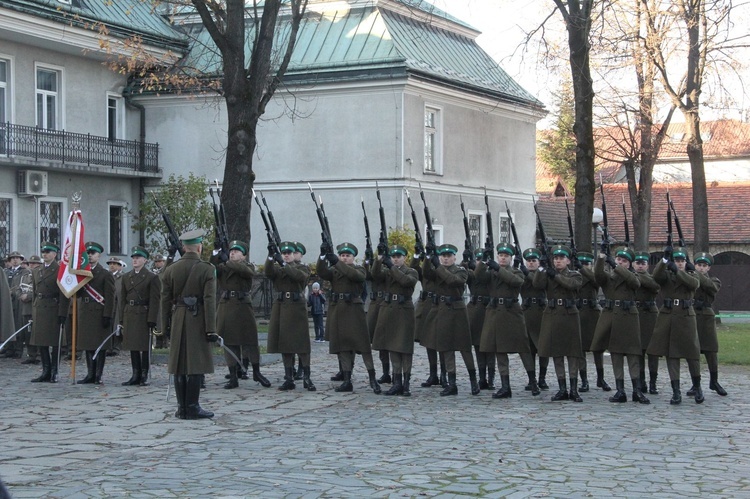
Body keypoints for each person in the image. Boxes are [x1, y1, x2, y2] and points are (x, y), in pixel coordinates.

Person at [160, 230, 216, 419]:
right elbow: (209, 301)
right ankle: (192, 406)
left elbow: (164, 300)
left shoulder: (171, 269)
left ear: (184, 248)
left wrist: (163, 326)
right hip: (197, 318)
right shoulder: (206, 269)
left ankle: (181, 408)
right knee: (195, 363)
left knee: (178, 363)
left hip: (178, 316)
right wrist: (211, 329)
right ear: (199, 247)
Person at [317, 242, 381, 394]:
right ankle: (347, 380)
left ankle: (372, 377)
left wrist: (337, 262)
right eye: (342, 255)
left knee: (363, 345)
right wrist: (322, 256)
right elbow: (322, 273)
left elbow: (355, 276)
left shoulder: (359, 269)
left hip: (354, 311)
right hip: (339, 311)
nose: (345, 258)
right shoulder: (334, 270)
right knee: (343, 346)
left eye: (348, 256)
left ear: (353, 257)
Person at [590, 247, 649, 404]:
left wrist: (616, 266)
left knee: (633, 354)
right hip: (613, 317)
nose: (620, 262)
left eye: (624, 261)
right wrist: (602, 257)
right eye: (618, 260)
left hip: (629, 317)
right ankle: (620, 390)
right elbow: (598, 276)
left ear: (629, 264)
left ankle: (637, 390)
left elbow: (635, 283)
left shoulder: (633, 276)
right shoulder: (610, 278)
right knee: (616, 354)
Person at [476, 244, 536, 398]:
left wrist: (498, 269)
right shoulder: (491, 272)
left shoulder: (516, 271)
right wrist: (483, 262)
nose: (502, 258)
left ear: (510, 258)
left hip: (512, 313)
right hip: (494, 312)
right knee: (499, 350)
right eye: (500, 255)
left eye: (506, 256)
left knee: (523, 348)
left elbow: (516, 281)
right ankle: (505, 386)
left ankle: (533, 381)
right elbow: (479, 277)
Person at [647, 246, 702, 405]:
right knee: (672, 354)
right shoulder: (667, 275)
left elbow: (693, 284)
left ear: (686, 262)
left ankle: (697, 387)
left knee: (692, 354)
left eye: (681, 261)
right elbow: (656, 276)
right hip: (669, 315)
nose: (679, 263)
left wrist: (678, 271)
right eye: (676, 261)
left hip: (686, 316)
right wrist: (664, 260)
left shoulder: (692, 274)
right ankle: (676, 391)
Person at [422, 243, 478, 396]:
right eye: (443, 256)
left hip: (457, 310)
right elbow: (426, 274)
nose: (445, 259)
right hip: (442, 311)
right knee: (446, 348)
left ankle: (474, 379)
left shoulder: (461, 270)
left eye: (448, 256)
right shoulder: (438, 270)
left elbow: (454, 281)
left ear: (454, 257)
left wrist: (438, 267)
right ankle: (452, 384)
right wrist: (428, 258)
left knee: (464, 347)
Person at [212, 240, 270, 389]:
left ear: (244, 256)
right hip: (227, 306)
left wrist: (227, 261)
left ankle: (256, 371)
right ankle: (233, 376)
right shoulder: (224, 267)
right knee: (229, 342)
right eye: (231, 250)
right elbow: (212, 269)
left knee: (250, 340)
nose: (232, 253)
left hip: (243, 306)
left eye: (237, 251)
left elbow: (248, 273)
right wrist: (216, 252)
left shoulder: (247, 266)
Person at [533, 245, 584, 402]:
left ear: (568, 260)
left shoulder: (575, 274)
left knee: (573, 352)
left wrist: (555, 275)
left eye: (561, 258)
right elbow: (537, 285)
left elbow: (571, 285)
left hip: (569, 314)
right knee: (557, 352)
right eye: (555, 258)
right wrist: (542, 268)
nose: (558, 261)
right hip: (553, 314)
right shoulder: (548, 273)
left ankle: (574, 389)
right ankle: (562, 388)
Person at [266, 241, 315, 392]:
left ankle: (306, 376)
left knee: (301, 343)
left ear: (294, 254)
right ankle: (289, 378)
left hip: (296, 307)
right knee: (285, 344)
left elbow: (299, 277)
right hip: (281, 306)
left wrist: (284, 265)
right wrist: (270, 257)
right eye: (284, 253)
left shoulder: (302, 268)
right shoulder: (278, 268)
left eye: (289, 253)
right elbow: (268, 273)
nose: (286, 255)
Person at [371, 245, 419, 396]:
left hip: (404, 311)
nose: (396, 259)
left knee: (404, 348)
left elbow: (406, 282)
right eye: (393, 256)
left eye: (399, 256)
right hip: (389, 311)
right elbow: (375, 275)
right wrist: (379, 260)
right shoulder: (387, 272)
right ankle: (396, 382)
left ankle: (406, 383)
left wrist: (392, 267)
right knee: (392, 347)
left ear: (405, 257)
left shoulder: (412, 271)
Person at [119, 246, 160, 386]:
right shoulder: (126, 277)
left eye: (138, 258)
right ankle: (135, 373)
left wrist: (152, 319)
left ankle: (144, 374)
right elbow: (122, 299)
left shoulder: (151, 277)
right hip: (130, 313)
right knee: (133, 346)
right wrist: (121, 319)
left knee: (144, 346)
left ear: (145, 260)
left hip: (143, 314)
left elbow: (155, 300)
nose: (135, 260)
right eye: (134, 258)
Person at [75, 242, 115, 385]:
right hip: (85, 311)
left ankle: (98, 374)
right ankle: (90, 374)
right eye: (88, 253)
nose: (90, 256)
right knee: (88, 344)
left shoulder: (105, 274)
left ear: (99, 256)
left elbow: (110, 297)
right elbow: (78, 293)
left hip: (99, 312)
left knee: (99, 346)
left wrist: (108, 315)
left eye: (93, 253)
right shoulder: (81, 272)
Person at [29, 242, 69, 383]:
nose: (45, 254)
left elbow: (64, 294)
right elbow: (34, 292)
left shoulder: (60, 270)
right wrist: (34, 309)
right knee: (41, 342)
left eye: (48, 252)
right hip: (40, 308)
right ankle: (45, 371)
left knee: (55, 342)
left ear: (55, 254)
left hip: (53, 308)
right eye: (43, 252)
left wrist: (62, 313)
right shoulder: (36, 271)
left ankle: (54, 371)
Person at [690, 252, 726, 397]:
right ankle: (695, 384)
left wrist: (696, 273)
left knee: (711, 350)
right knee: (693, 351)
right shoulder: (691, 278)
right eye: (699, 265)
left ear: (709, 268)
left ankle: (714, 380)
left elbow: (710, 286)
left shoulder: (714, 280)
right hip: (692, 315)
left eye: (704, 266)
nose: (701, 268)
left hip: (706, 315)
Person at [575, 251, 610, 393]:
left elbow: (596, 280)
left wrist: (583, 269)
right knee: (581, 348)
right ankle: (584, 380)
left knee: (598, 348)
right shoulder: (575, 276)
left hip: (593, 313)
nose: (584, 266)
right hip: (579, 312)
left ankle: (600, 378)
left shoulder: (594, 276)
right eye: (582, 264)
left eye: (587, 264)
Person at [464, 247, 495, 391]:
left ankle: (490, 378)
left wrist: (483, 263)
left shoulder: (490, 272)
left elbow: (480, 275)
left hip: (488, 311)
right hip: (475, 311)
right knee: (477, 345)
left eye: (480, 259)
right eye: (477, 259)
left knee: (489, 347)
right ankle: (482, 378)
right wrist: (465, 262)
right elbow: (466, 276)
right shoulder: (472, 272)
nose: (478, 262)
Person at [520, 248, 549, 391]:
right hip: (526, 312)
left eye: (533, 261)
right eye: (528, 261)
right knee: (528, 348)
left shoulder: (543, 273)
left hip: (541, 312)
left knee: (543, 347)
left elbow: (540, 284)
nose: (530, 263)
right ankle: (532, 379)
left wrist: (529, 274)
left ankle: (542, 378)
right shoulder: (521, 273)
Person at [633, 252, 661, 394]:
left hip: (650, 314)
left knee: (652, 351)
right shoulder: (629, 278)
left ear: (647, 265)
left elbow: (654, 286)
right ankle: (640, 381)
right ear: (633, 264)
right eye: (637, 263)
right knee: (638, 351)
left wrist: (637, 276)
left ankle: (653, 382)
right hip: (636, 314)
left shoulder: (651, 278)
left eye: (643, 263)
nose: (640, 266)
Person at [365, 242, 390, 384]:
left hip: (386, 305)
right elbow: (370, 274)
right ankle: (385, 372)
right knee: (379, 341)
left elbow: (379, 274)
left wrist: (382, 261)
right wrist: (369, 260)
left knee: (388, 341)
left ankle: (394, 372)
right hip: (375, 306)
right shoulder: (378, 264)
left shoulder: (390, 268)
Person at [7, 251, 34, 362]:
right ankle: (9, 348)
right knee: (8, 323)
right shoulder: (6, 271)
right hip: (8, 300)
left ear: (21, 260)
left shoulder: (24, 272)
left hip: (18, 301)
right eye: (13, 258)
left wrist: (13, 292)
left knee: (19, 324)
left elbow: (21, 286)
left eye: (17, 258)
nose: (15, 260)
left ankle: (18, 349)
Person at [17, 255, 42, 364]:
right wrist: (21, 295)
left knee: (37, 333)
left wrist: (29, 296)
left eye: (34, 263)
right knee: (27, 333)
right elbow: (18, 288)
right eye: (30, 263)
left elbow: (40, 291)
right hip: (25, 308)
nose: (31, 265)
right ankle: (31, 355)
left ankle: (39, 354)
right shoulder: (25, 276)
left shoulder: (41, 275)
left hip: (37, 308)